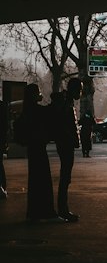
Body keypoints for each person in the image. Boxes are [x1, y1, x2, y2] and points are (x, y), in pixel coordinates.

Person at [16, 84, 58, 223]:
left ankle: (34, 213)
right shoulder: (37, 110)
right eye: (38, 92)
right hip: (39, 148)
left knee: (34, 181)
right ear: (33, 95)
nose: (40, 94)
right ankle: (46, 212)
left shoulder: (27, 110)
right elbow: (50, 114)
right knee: (43, 181)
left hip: (32, 149)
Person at [50, 75, 82, 222]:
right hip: (65, 144)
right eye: (80, 90)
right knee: (65, 177)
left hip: (64, 143)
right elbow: (63, 124)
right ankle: (63, 210)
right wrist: (71, 138)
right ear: (74, 89)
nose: (80, 93)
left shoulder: (65, 101)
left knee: (65, 177)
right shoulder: (66, 103)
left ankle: (63, 209)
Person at [78, 76, 96, 157]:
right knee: (87, 142)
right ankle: (87, 153)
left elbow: (80, 122)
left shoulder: (84, 116)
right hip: (88, 130)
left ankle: (84, 153)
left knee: (84, 142)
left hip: (84, 130)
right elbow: (93, 122)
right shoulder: (90, 116)